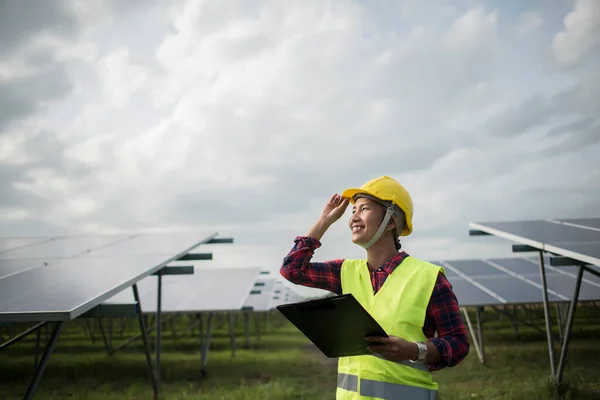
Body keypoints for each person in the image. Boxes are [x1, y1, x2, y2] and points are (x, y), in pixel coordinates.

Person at [280, 175, 469, 399]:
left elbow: (457, 343)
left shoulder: (428, 277)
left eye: (364, 209)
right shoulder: (345, 271)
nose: (353, 218)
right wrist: (324, 221)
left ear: (391, 221)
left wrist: (414, 350)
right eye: (353, 211)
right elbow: (292, 269)